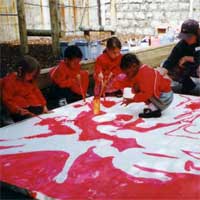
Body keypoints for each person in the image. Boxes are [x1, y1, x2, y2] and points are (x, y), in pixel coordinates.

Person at [120, 53, 173, 118]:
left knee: (140, 90)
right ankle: (154, 108)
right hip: (164, 95)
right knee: (137, 88)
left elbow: (146, 94)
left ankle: (155, 110)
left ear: (134, 66)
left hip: (165, 97)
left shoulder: (145, 74)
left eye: (127, 73)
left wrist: (133, 99)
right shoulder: (140, 70)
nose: (127, 76)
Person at [2, 55, 48, 122]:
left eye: (33, 76)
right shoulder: (10, 82)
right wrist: (18, 110)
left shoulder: (29, 81)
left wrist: (44, 105)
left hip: (31, 106)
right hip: (18, 110)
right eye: (30, 75)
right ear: (20, 71)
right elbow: (7, 100)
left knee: (40, 111)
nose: (31, 78)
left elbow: (37, 92)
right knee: (26, 118)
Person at [163, 19, 200, 95]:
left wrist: (188, 58)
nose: (187, 39)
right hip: (190, 67)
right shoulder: (181, 45)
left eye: (189, 37)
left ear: (197, 34)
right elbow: (171, 59)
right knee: (170, 68)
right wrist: (163, 70)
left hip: (198, 66)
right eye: (185, 37)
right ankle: (189, 86)